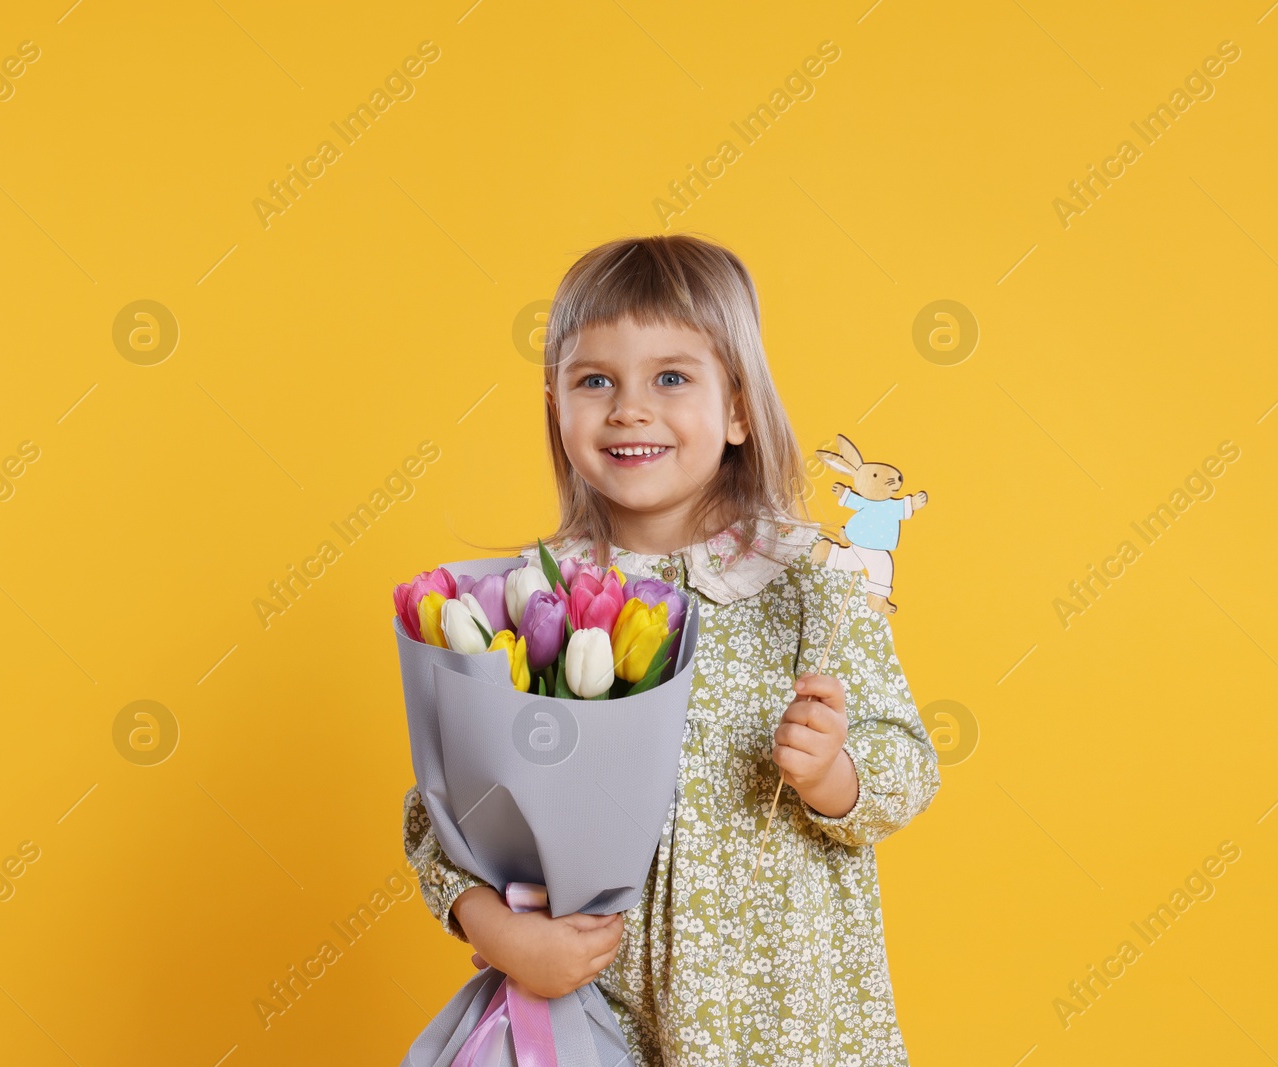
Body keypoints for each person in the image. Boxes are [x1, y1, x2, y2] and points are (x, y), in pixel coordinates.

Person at [401, 233, 940, 1065]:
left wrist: (836, 775)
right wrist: (500, 931)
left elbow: (907, 763)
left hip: (786, 1011)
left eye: (672, 378)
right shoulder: (528, 602)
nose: (629, 408)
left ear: (737, 408)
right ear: (556, 405)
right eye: (594, 380)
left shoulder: (810, 584)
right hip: (602, 1008)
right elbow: (444, 814)